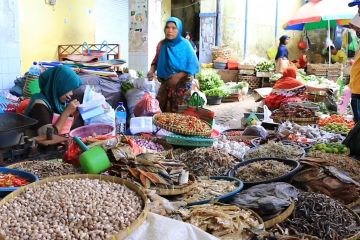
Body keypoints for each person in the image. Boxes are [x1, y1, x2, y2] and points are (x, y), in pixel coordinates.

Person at [147, 17, 200, 112]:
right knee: (161, 110)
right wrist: (151, 71)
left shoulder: (185, 44)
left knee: (180, 112)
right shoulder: (162, 44)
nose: (170, 30)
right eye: (167, 27)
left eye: (174, 28)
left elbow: (192, 64)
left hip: (182, 83)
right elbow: (156, 61)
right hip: (165, 83)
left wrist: (178, 76)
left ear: (179, 29)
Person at [25, 65, 82, 136]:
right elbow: (49, 137)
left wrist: (75, 114)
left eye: (72, 90)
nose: (71, 93)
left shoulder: (56, 103)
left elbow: (64, 129)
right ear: (58, 86)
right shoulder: (39, 105)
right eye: (68, 89)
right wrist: (66, 113)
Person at [349, 14, 360, 122]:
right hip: (356, 89)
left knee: (358, 122)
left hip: (358, 90)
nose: (356, 32)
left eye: (357, 29)